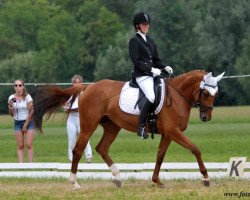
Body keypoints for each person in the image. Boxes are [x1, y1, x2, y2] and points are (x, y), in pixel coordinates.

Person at [129, 12, 173, 139]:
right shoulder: (134, 41)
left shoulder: (150, 40)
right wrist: (151, 70)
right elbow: (136, 61)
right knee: (152, 97)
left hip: (152, 74)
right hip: (141, 76)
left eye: (148, 24)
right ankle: (141, 127)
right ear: (137, 26)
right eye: (144, 24)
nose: (147, 26)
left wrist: (164, 67)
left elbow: (156, 60)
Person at [64, 75, 92, 163]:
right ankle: (71, 160)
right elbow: (65, 107)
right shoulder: (69, 94)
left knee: (85, 140)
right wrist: (68, 109)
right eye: (75, 82)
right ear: (72, 84)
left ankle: (89, 159)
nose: (77, 84)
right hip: (71, 118)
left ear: (82, 83)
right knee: (71, 141)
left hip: (82, 119)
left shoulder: (85, 93)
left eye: (79, 82)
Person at [8, 79, 35, 162]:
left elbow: (32, 111)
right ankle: (21, 166)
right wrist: (11, 106)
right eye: (16, 85)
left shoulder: (27, 97)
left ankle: (31, 166)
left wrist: (25, 125)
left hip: (28, 122)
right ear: (14, 87)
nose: (18, 87)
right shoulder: (11, 97)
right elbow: (12, 114)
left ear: (23, 86)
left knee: (29, 145)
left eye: (20, 85)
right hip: (17, 122)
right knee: (20, 145)